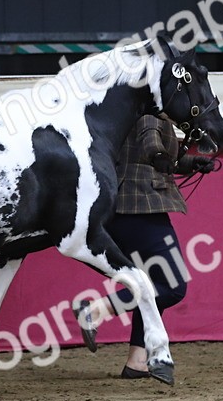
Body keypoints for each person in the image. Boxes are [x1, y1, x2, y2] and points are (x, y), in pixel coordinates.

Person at [81, 115, 215, 381]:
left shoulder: (135, 106)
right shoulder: (150, 109)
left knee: (151, 283)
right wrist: (158, 153)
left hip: (125, 205)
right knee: (173, 285)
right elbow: (150, 141)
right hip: (138, 205)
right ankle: (97, 310)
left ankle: (138, 361)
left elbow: (153, 155)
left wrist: (189, 163)